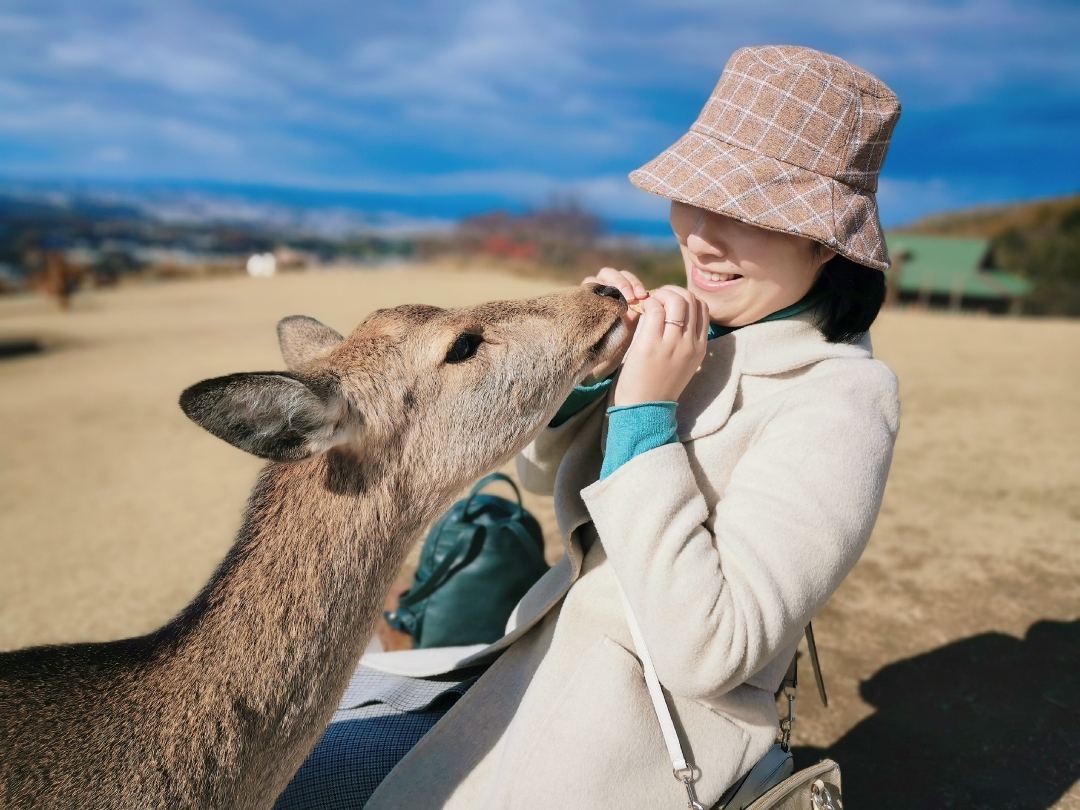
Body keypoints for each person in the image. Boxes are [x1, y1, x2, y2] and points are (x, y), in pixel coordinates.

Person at [275, 44, 901, 809]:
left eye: (746, 213)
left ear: (824, 237)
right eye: (693, 197)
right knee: (278, 757)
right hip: (526, 677)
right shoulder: (703, 332)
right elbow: (546, 483)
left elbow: (713, 653)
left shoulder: (842, 400)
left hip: (622, 753)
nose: (701, 237)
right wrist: (588, 371)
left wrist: (644, 411)